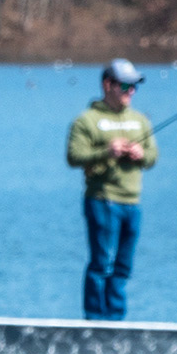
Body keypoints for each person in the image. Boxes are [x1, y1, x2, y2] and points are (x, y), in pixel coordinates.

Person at [67, 58, 158, 321]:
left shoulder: (139, 120)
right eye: (126, 86)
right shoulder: (88, 120)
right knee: (102, 263)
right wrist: (107, 151)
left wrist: (139, 154)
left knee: (123, 266)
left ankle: (116, 319)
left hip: (133, 202)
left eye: (134, 87)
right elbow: (74, 156)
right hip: (102, 200)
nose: (131, 92)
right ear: (108, 85)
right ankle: (95, 318)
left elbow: (153, 156)